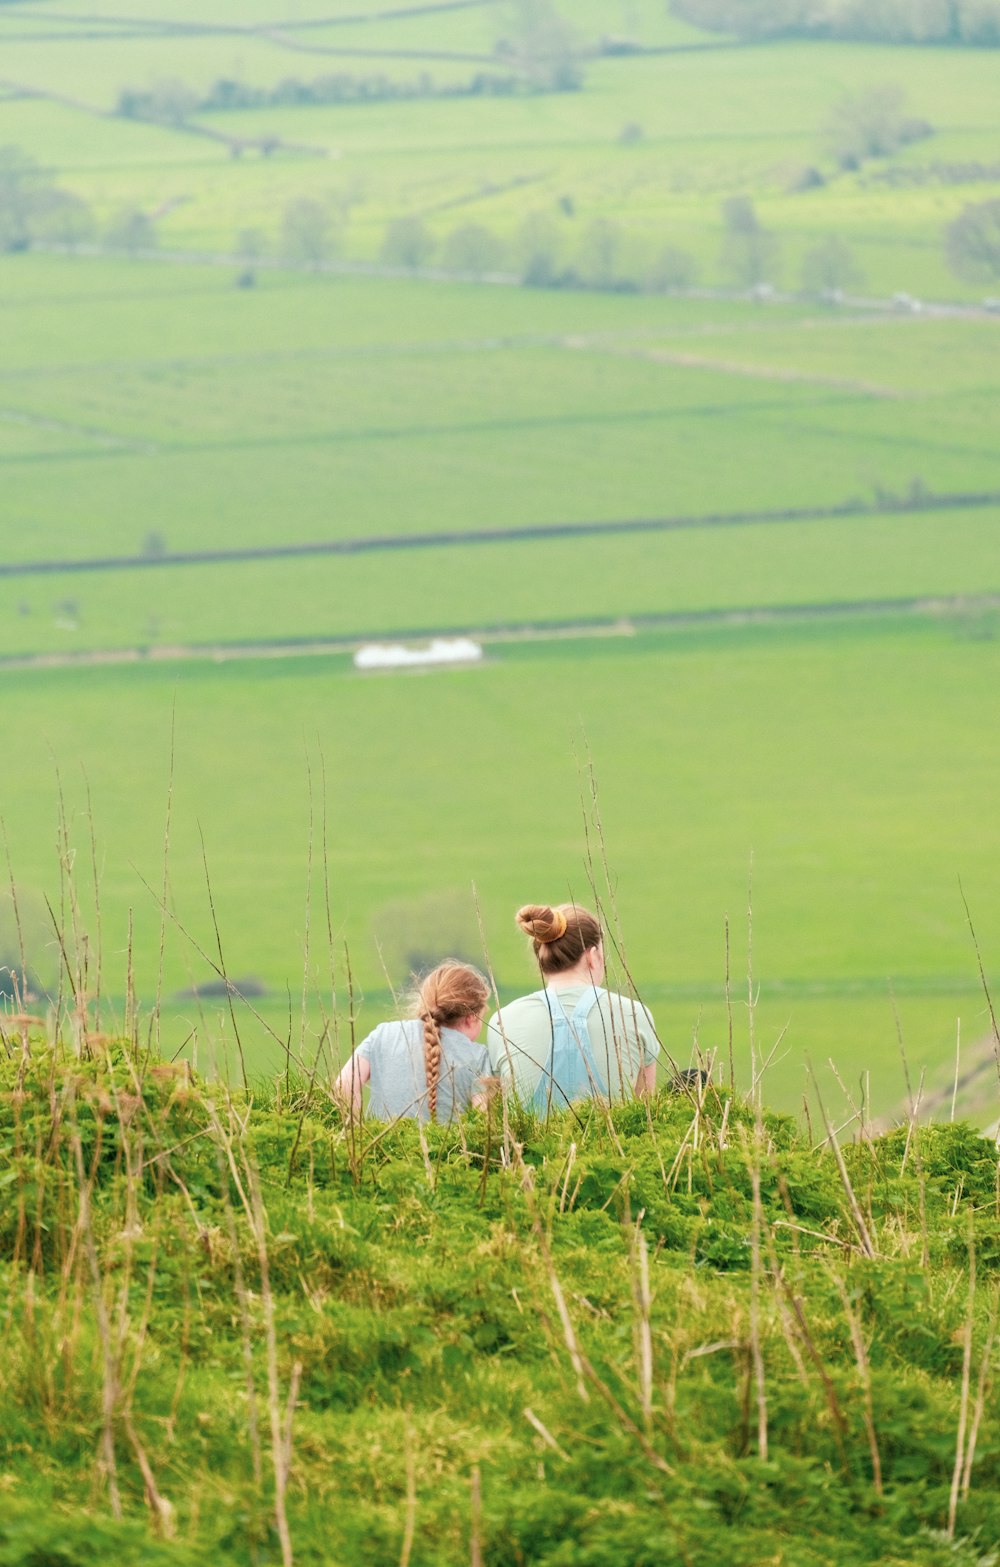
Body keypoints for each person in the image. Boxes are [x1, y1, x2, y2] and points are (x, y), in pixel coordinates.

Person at [486, 902, 659, 1110]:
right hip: (615, 1142)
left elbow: (498, 1107)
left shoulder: (502, 1021)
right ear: (593, 956)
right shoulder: (634, 1014)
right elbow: (646, 1109)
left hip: (529, 1144)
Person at [334, 961, 491, 1122]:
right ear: (472, 1017)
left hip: (378, 1144)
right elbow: (483, 1121)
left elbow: (344, 1086)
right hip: (450, 1147)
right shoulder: (478, 1056)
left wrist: (357, 1130)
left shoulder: (383, 1035)